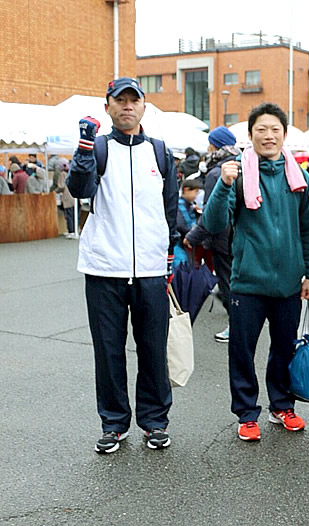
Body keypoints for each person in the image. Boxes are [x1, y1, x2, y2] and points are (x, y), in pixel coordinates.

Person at [66, 77, 179, 454]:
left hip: (150, 269)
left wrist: (168, 256)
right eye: (120, 100)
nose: (127, 106)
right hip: (104, 268)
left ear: (144, 107)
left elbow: (170, 206)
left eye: (134, 100)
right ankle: (114, 424)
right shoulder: (98, 148)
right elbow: (80, 190)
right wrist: (84, 148)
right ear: (108, 107)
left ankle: (154, 421)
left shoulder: (160, 152)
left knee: (153, 349)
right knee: (109, 351)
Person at [202, 103, 309, 442]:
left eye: (275, 129)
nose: (268, 136)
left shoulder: (298, 176)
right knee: (242, 351)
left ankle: (281, 405)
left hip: (289, 284)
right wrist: (224, 185)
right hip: (247, 283)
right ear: (250, 135)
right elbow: (213, 223)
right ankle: (246, 413)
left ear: (284, 134)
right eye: (261, 130)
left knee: (284, 348)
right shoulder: (237, 174)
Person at [185, 125, 239, 343]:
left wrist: (193, 237)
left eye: (210, 144)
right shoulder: (239, 165)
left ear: (216, 146)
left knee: (227, 283)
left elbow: (211, 213)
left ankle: (236, 326)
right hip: (236, 237)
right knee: (233, 281)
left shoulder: (217, 172)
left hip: (221, 238)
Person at [49, 156, 77, 238]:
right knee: (74, 215)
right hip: (74, 197)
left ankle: (71, 231)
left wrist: (54, 191)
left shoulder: (62, 174)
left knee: (69, 215)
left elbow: (61, 186)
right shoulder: (72, 172)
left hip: (67, 197)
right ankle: (74, 230)